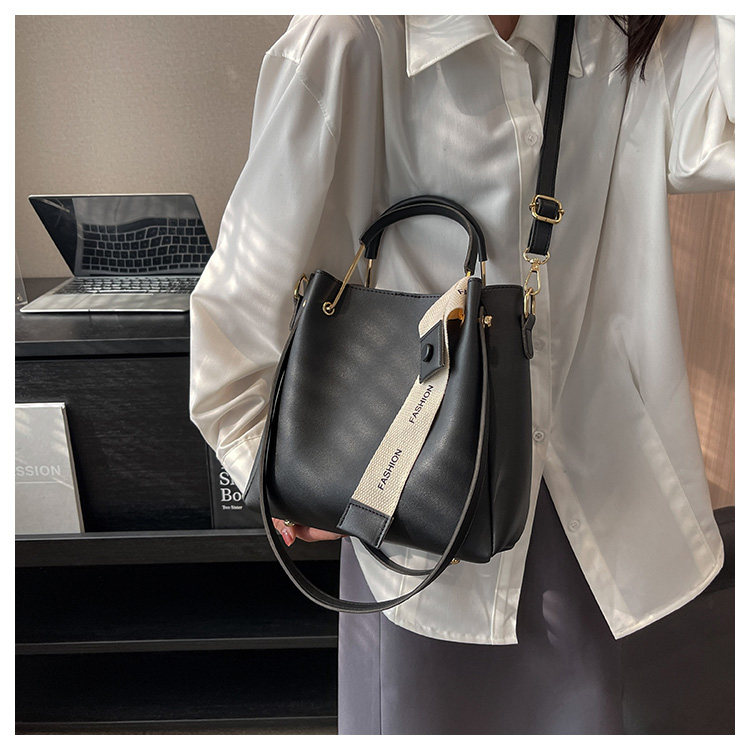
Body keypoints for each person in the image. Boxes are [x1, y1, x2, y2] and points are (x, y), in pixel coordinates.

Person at [189, 15, 734, 734]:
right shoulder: (353, 37)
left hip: (590, 509)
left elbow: (726, 127)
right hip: (421, 516)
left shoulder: (623, 40)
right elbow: (238, 306)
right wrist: (282, 477)